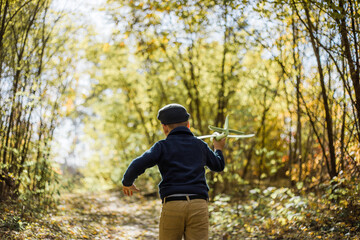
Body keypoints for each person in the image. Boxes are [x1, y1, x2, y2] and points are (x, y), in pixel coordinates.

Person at [122, 103, 226, 240]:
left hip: (173, 204)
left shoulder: (162, 146)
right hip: (198, 204)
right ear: (188, 125)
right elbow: (218, 165)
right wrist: (218, 148)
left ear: (165, 128)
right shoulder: (200, 145)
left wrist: (127, 182)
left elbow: (137, 164)